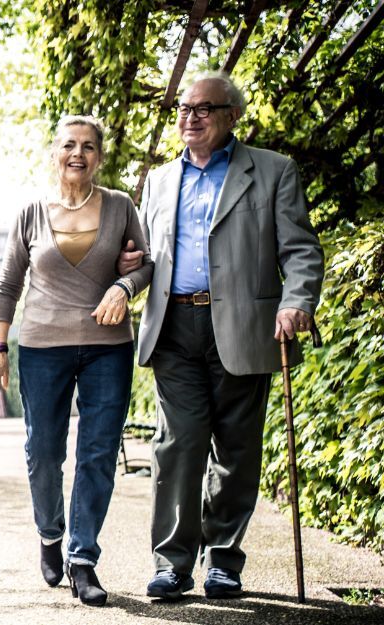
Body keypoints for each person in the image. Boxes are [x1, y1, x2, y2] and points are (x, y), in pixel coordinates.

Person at [119, 71, 324, 601]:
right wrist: (127, 271)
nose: (190, 117)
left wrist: (296, 300)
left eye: (204, 108)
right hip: (174, 327)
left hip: (245, 326)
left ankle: (224, 562)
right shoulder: (161, 181)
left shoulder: (273, 171)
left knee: (236, 450)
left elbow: (300, 249)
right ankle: (171, 563)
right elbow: (148, 257)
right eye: (184, 109)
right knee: (178, 445)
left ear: (232, 115)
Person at [0, 115, 152, 607]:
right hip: (41, 346)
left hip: (108, 346)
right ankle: (50, 533)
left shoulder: (121, 206)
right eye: (68, 145)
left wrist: (123, 286)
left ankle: (83, 560)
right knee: (43, 453)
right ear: (54, 152)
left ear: (100, 156)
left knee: (98, 453)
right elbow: (8, 284)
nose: (77, 154)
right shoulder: (31, 213)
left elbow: (144, 263)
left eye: (88, 146)